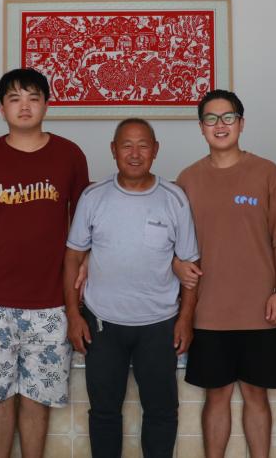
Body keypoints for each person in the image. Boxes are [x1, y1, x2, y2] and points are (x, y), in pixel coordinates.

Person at [0, 68, 90, 458]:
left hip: (50, 303)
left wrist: (85, 264)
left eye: (33, 97)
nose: (24, 106)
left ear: (47, 104)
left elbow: (84, 221)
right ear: (2, 108)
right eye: (15, 98)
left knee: (37, 397)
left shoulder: (69, 155)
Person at [175, 89, 276, 458]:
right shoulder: (188, 179)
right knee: (216, 396)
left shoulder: (266, 172)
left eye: (228, 117)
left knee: (255, 395)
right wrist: (177, 265)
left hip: (262, 310)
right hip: (208, 311)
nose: (220, 125)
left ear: (241, 124)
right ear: (201, 127)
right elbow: (173, 243)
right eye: (211, 118)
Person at [64, 119, 199, 458]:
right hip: (103, 323)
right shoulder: (93, 197)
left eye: (143, 145)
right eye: (126, 145)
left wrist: (185, 319)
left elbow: (190, 265)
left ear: (156, 150)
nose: (135, 153)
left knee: (162, 410)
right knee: (104, 411)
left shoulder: (174, 199)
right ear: (113, 150)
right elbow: (73, 257)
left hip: (159, 324)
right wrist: (73, 316)